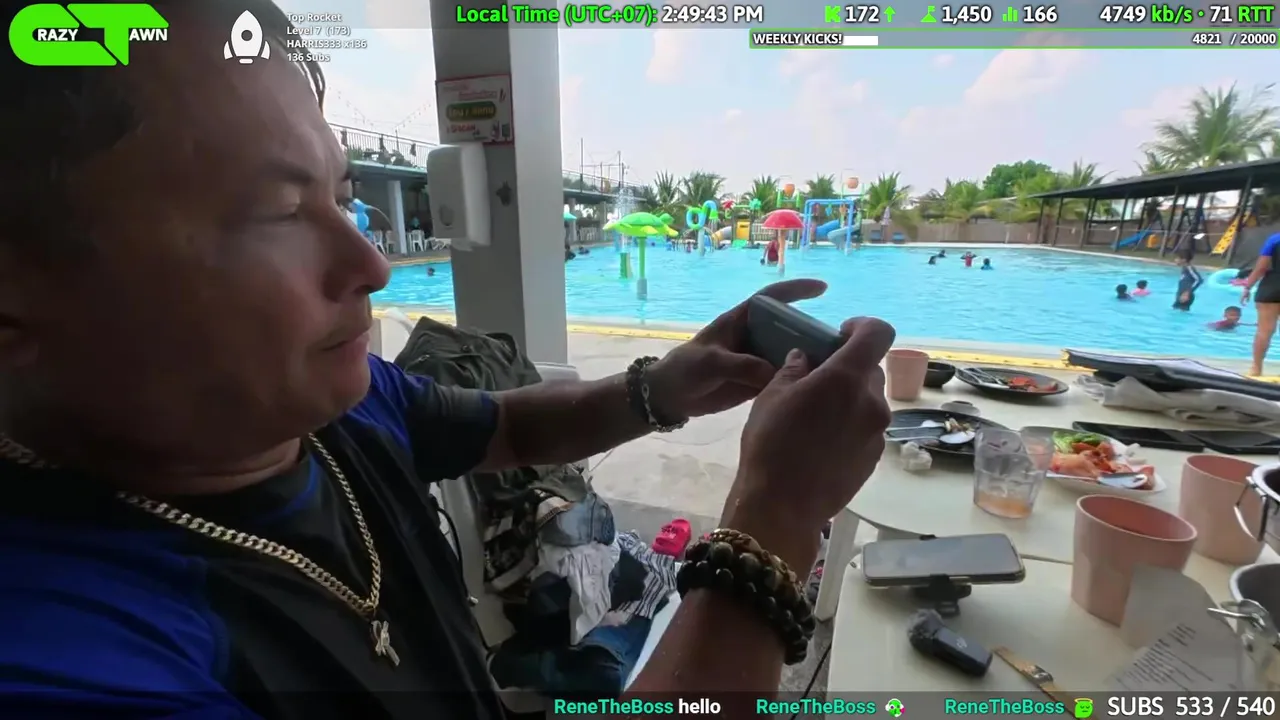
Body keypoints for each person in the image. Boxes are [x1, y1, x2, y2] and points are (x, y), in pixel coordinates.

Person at [0, 4, 895, 717]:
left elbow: (503, 428)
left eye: (342, 195)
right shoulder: (71, 655)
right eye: (276, 212)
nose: (371, 264)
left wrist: (664, 385)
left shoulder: (327, 407)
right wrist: (774, 518)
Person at [1239, 232, 1280, 375]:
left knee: (1264, 331)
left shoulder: (1275, 239)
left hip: (1272, 286)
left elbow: (1261, 268)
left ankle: (1256, 368)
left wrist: (1248, 287)